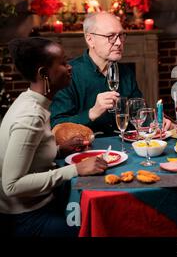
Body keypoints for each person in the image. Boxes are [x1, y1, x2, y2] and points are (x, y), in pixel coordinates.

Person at [0, 37, 107, 237]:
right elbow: (11, 185)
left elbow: (28, 157)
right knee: (100, 227)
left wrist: (59, 149)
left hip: (40, 205)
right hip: (27, 218)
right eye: (63, 63)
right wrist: (76, 169)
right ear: (43, 73)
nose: (70, 68)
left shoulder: (32, 101)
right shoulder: (30, 116)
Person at [50, 12, 144, 136]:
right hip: (85, 150)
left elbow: (139, 113)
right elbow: (57, 125)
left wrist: (155, 121)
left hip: (124, 148)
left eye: (121, 35)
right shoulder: (68, 74)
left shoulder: (126, 72)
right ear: (90, 39)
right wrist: (92, 113)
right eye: (110, 36)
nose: (119, 43)